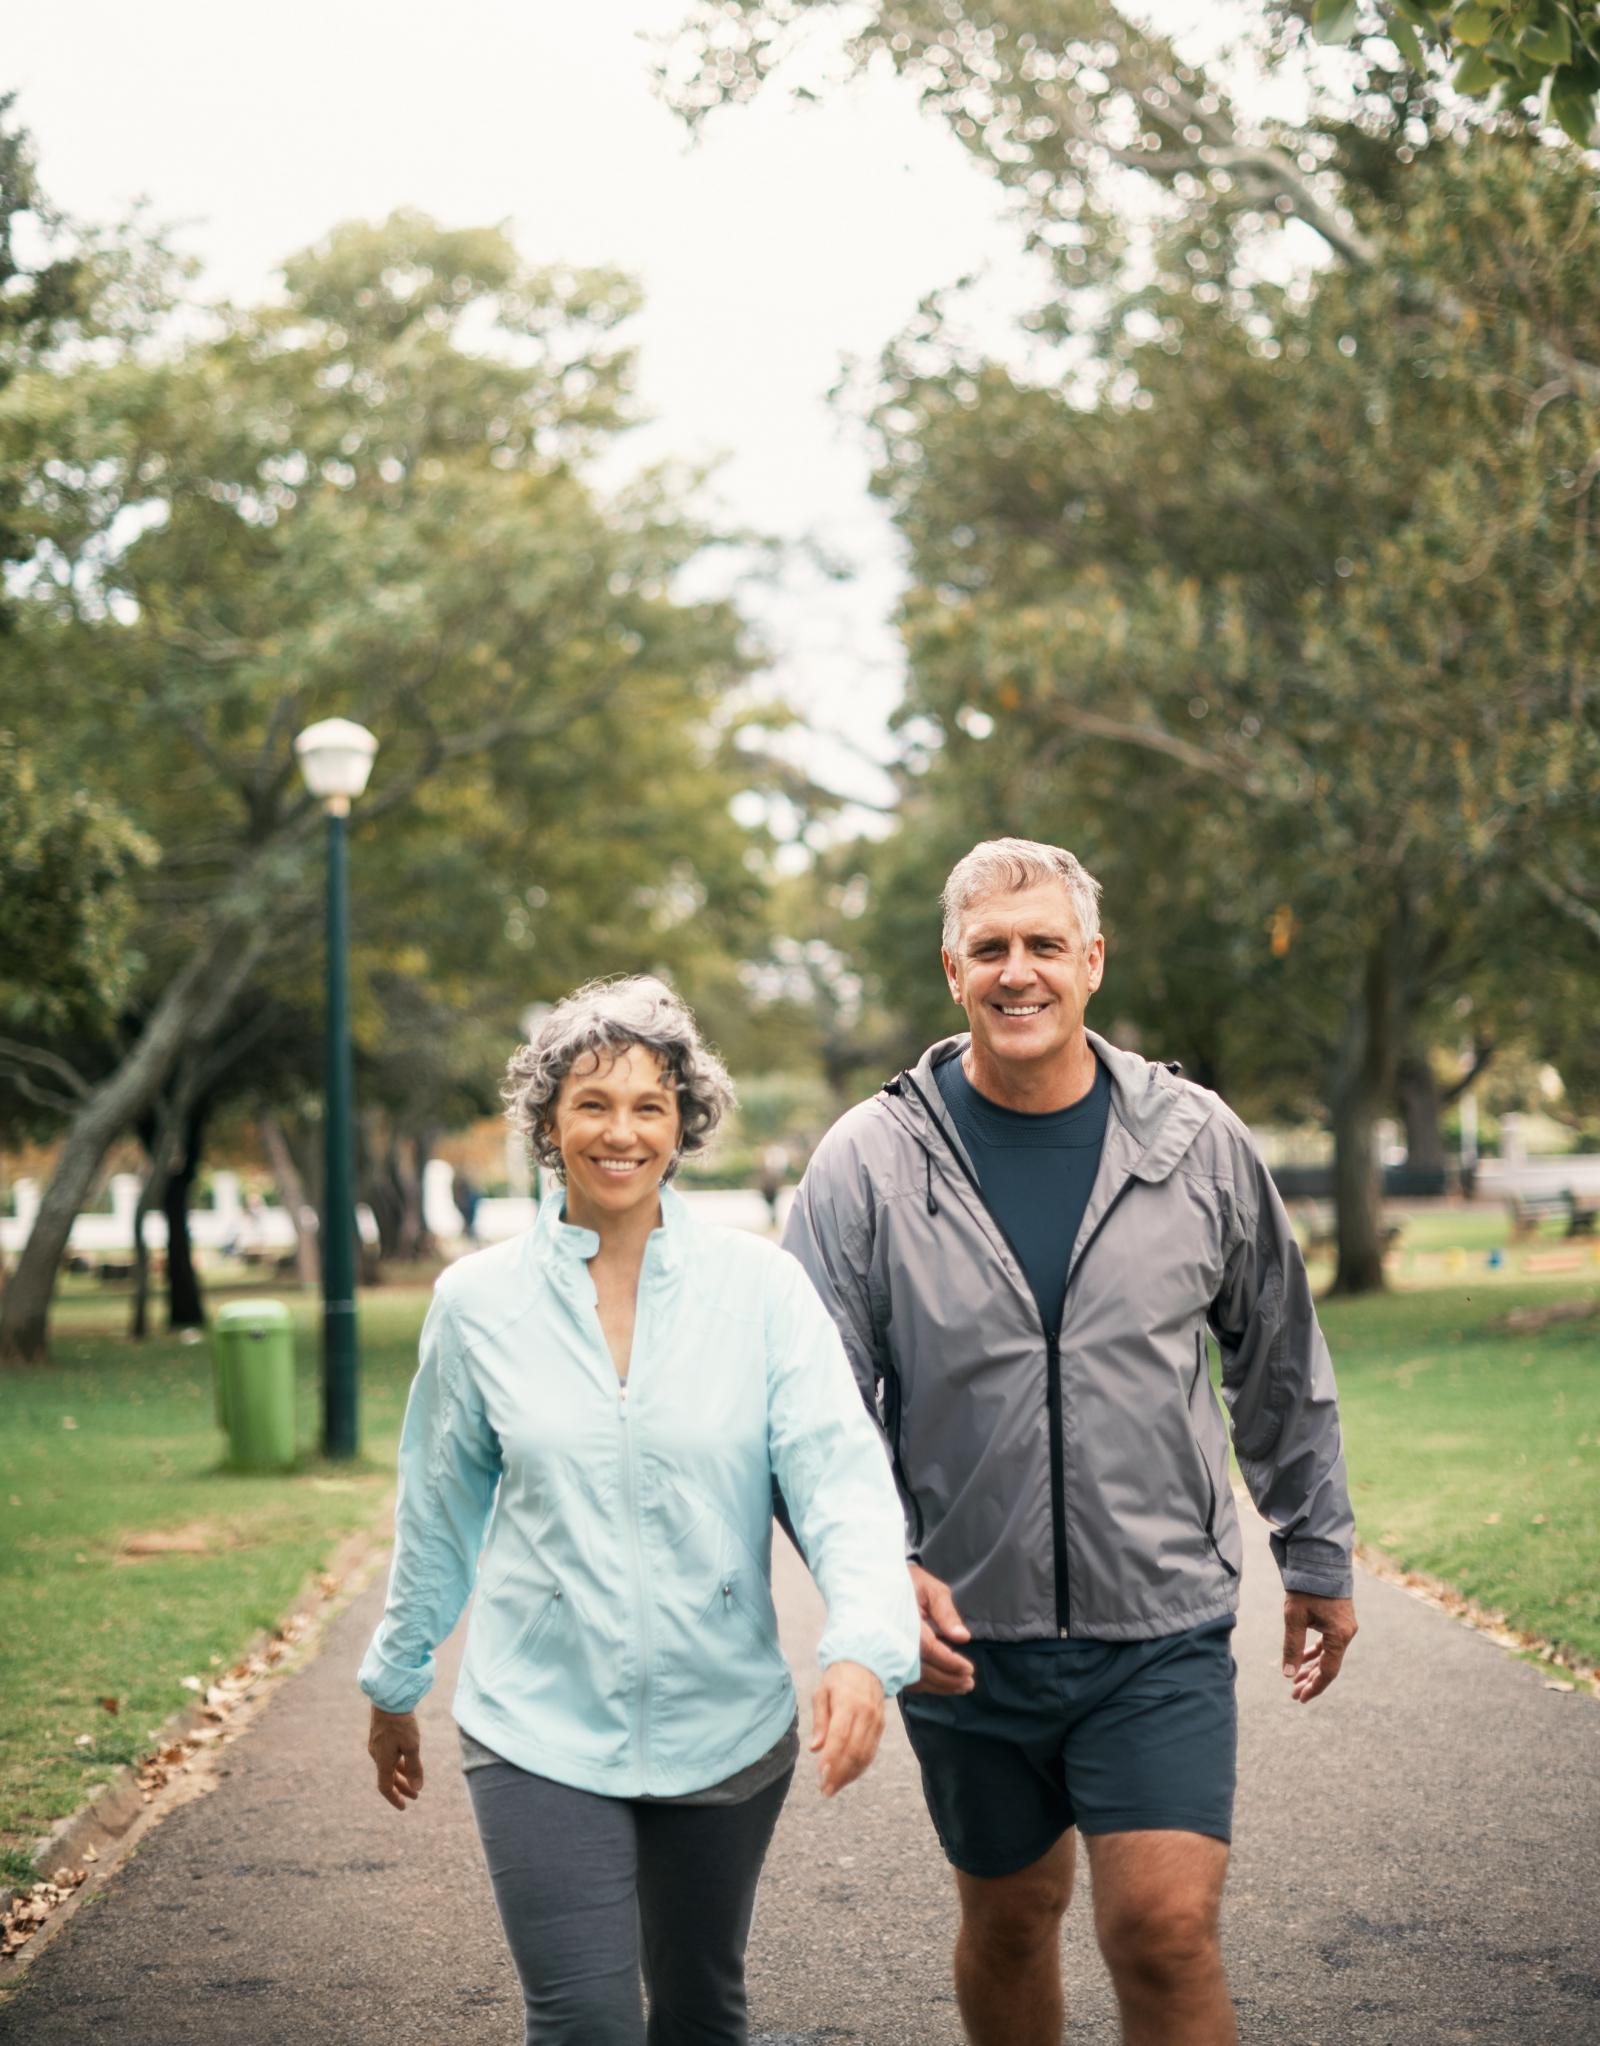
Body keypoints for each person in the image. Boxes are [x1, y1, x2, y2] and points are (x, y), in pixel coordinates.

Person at [783, 838, 1357, 2046]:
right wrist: (877, 1575)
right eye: (990, 948)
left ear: (1091, 961)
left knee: (1162, 1929)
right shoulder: (868, 1163)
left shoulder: (1196, 1142)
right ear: (953, 971)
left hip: (1159, 1625)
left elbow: (1279, 1354)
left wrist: (1317, 1551)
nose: (1018, 972)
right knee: (1010, 1920)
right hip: (963, 1634)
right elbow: (811, 1408)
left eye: (1045, 944)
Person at [360, 976, 920, 2046]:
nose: (620, 1132)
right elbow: (436, 1507)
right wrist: (394, 1680)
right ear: (547, 1121)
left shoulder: (759, 1290)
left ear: (683, 1125)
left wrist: (862, 1643)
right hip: (535, 1724)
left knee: (702, 2010)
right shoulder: (477, 1306)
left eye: (648, 1106)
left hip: (727, 1725)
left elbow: (839, 1476)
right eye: (591, 1103)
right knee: (586, 2023)